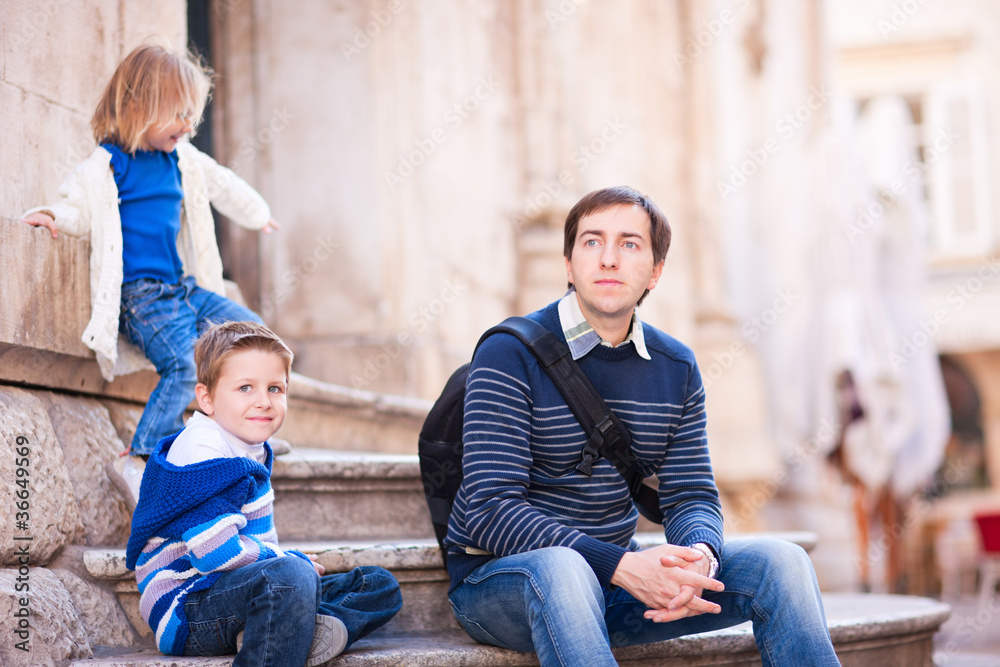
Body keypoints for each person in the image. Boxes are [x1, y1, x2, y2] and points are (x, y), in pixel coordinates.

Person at [444, 186, 841, 666]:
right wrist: (622, 566)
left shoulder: (676, 366)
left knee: (784, 563)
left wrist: (699, 554)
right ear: (568, 265)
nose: (608, 259)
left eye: (629, 243)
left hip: (615, 584)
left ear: (655, 272)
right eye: (592, 242)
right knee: (565, 571)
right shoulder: (508, 355)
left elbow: (692, 495)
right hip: (501, 585)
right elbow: (490, 510)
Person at [19, 44, 286, 508]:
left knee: (255, 339)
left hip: (183, 288)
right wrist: (53, 216)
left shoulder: (181, 159)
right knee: (183, 365)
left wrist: (257, 212)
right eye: (179, 113)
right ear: (141, 106)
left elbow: (223, 182)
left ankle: (242, 433)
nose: (188, 125)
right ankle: (137, 458)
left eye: (192, 115)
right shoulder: (110, 164)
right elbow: (78, 205)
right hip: (142, 298)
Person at [125, 321, 402, 665]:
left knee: (378, 585)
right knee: (292, 577)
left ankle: (287, 630)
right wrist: (288, 561)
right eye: (245, 388)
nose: (264, 402)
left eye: (275, 388)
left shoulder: (251, 446)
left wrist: (284, 564)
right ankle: (284, 633)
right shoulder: (203, 448)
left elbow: (259, 547)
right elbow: (215, 554)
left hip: (235, 591)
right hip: (187, 608)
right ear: (207, 399)